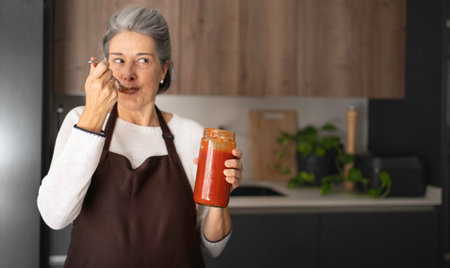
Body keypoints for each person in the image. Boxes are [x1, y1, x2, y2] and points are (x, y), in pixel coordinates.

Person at [37, 7, 243, 267]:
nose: (127, 74)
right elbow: (55, 216)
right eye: (118, 60)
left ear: (163, 69)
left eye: (143, 60)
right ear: (105, 66)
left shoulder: (192, 135)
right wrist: (93, 114)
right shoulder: (82, 120)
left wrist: (220, 195)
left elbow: (213, 246)